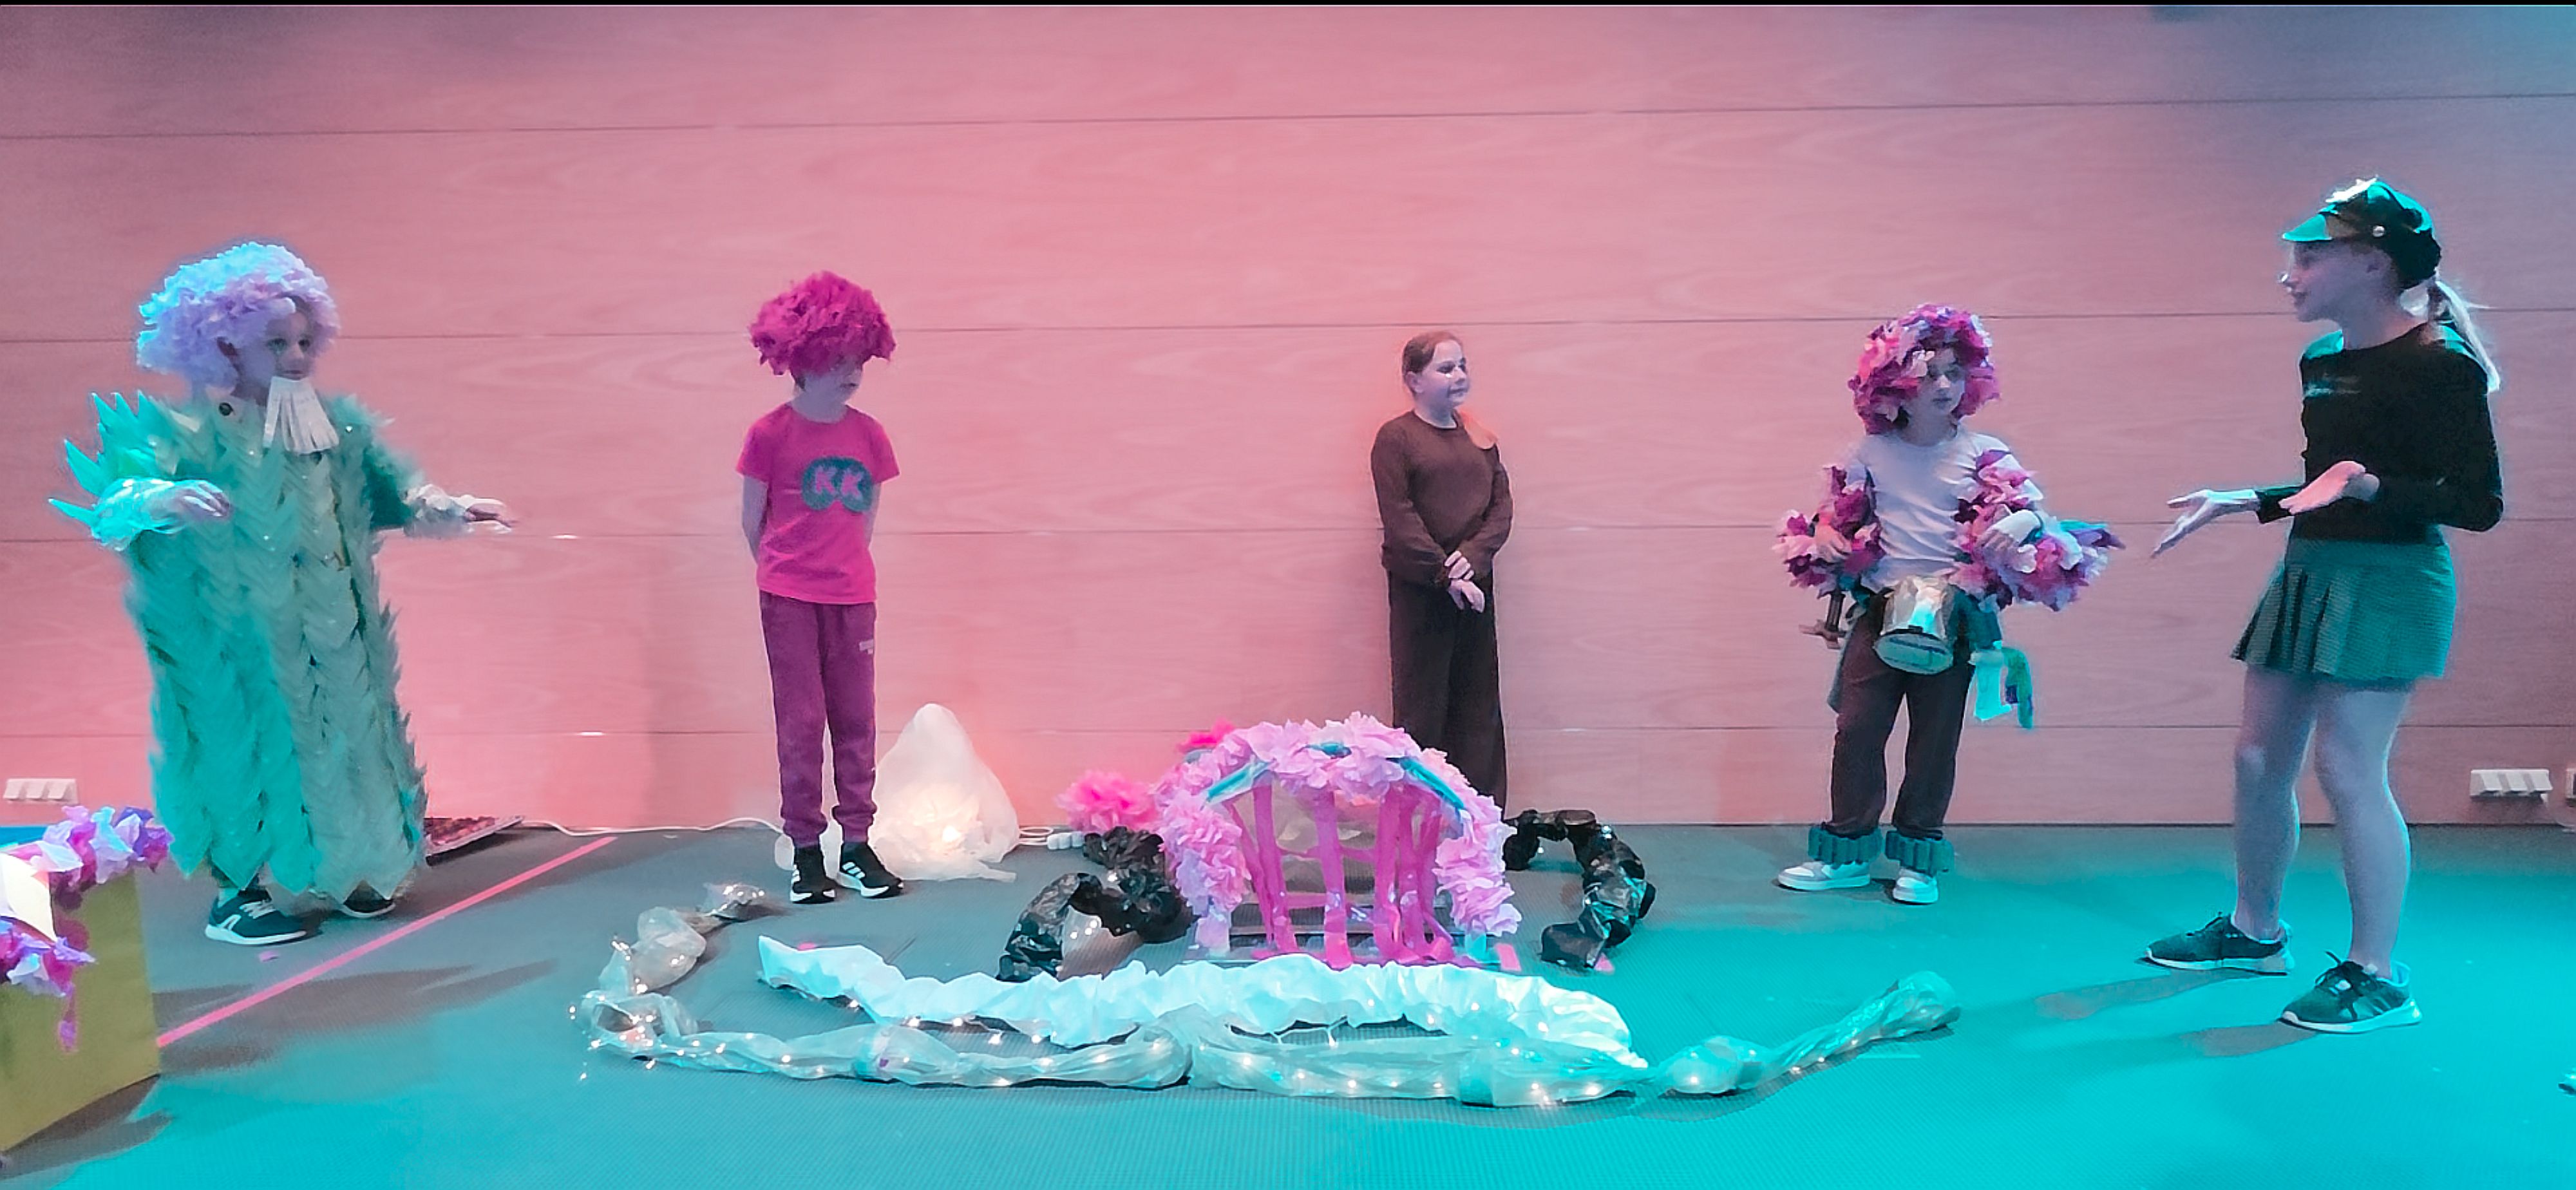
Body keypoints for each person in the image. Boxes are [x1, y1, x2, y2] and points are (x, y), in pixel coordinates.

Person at [53, 243, 509, 945]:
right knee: (240, 745)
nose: (296, 358)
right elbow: (117, 500)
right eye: (276, 343)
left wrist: (447, 506)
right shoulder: (183, 433)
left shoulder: (334, 428)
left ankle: (350, 869)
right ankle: (240, 892)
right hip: (234, 632)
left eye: (302, 341)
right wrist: (162, 498)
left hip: (331, 628)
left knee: (348, 738)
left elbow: (389, 492)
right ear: (224, 345)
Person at [2146, 180, 2502, 1034]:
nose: (2289, 274)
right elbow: (2325, 484)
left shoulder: (2441, 363)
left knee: (2347, 767)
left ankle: (2377, 973)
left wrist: (2367, 484)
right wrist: (2250, 499)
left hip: (2391, 580)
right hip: (2310, 569)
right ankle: (2255, 931)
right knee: (2257, 759)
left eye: (2309, 257)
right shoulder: (2322, 361)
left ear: (2371, 264)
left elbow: (2476, 503)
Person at [1774, 305, 2116, 905]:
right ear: (1892, 384)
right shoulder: (1869, 453)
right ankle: (1847, 848)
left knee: (1935, 738)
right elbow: (1836, 514)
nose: (1943, 385)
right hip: (1880, 609)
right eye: (1927, 373)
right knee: (1857, 728)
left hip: (1954, 614)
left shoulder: (1984, 453)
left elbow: (2038, 511)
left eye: (1954, 373)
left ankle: (1918, 854)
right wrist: (1826, 536)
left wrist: (2024, 522)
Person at [739, 272, 907, 904]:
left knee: (856, 720)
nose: (850, 373)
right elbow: (751, 521)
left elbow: (866, 522)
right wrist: (787, 574)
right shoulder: (769, 435)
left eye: (857, 360)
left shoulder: (870, 436)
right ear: (800, 359)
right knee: (801, 723)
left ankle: (857, 844)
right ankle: (807, 851)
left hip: (853, 598)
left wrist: (841, 571)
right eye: (836, 360)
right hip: (789, 598)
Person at [1368, 331, 1512, 808]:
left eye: (1462, 366)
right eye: (1446, 368)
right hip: (1423, 591)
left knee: (1478, 704)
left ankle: (1480, 816)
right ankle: (1418, 816)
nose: (1459, 376)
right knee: (1422, 704)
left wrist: (1473, 559)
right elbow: (1399, 517)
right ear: (1414, 380)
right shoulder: (1396, 439)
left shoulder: (1480, 439)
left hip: (1475, 588)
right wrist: (1445, 575)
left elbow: (1501, 509)